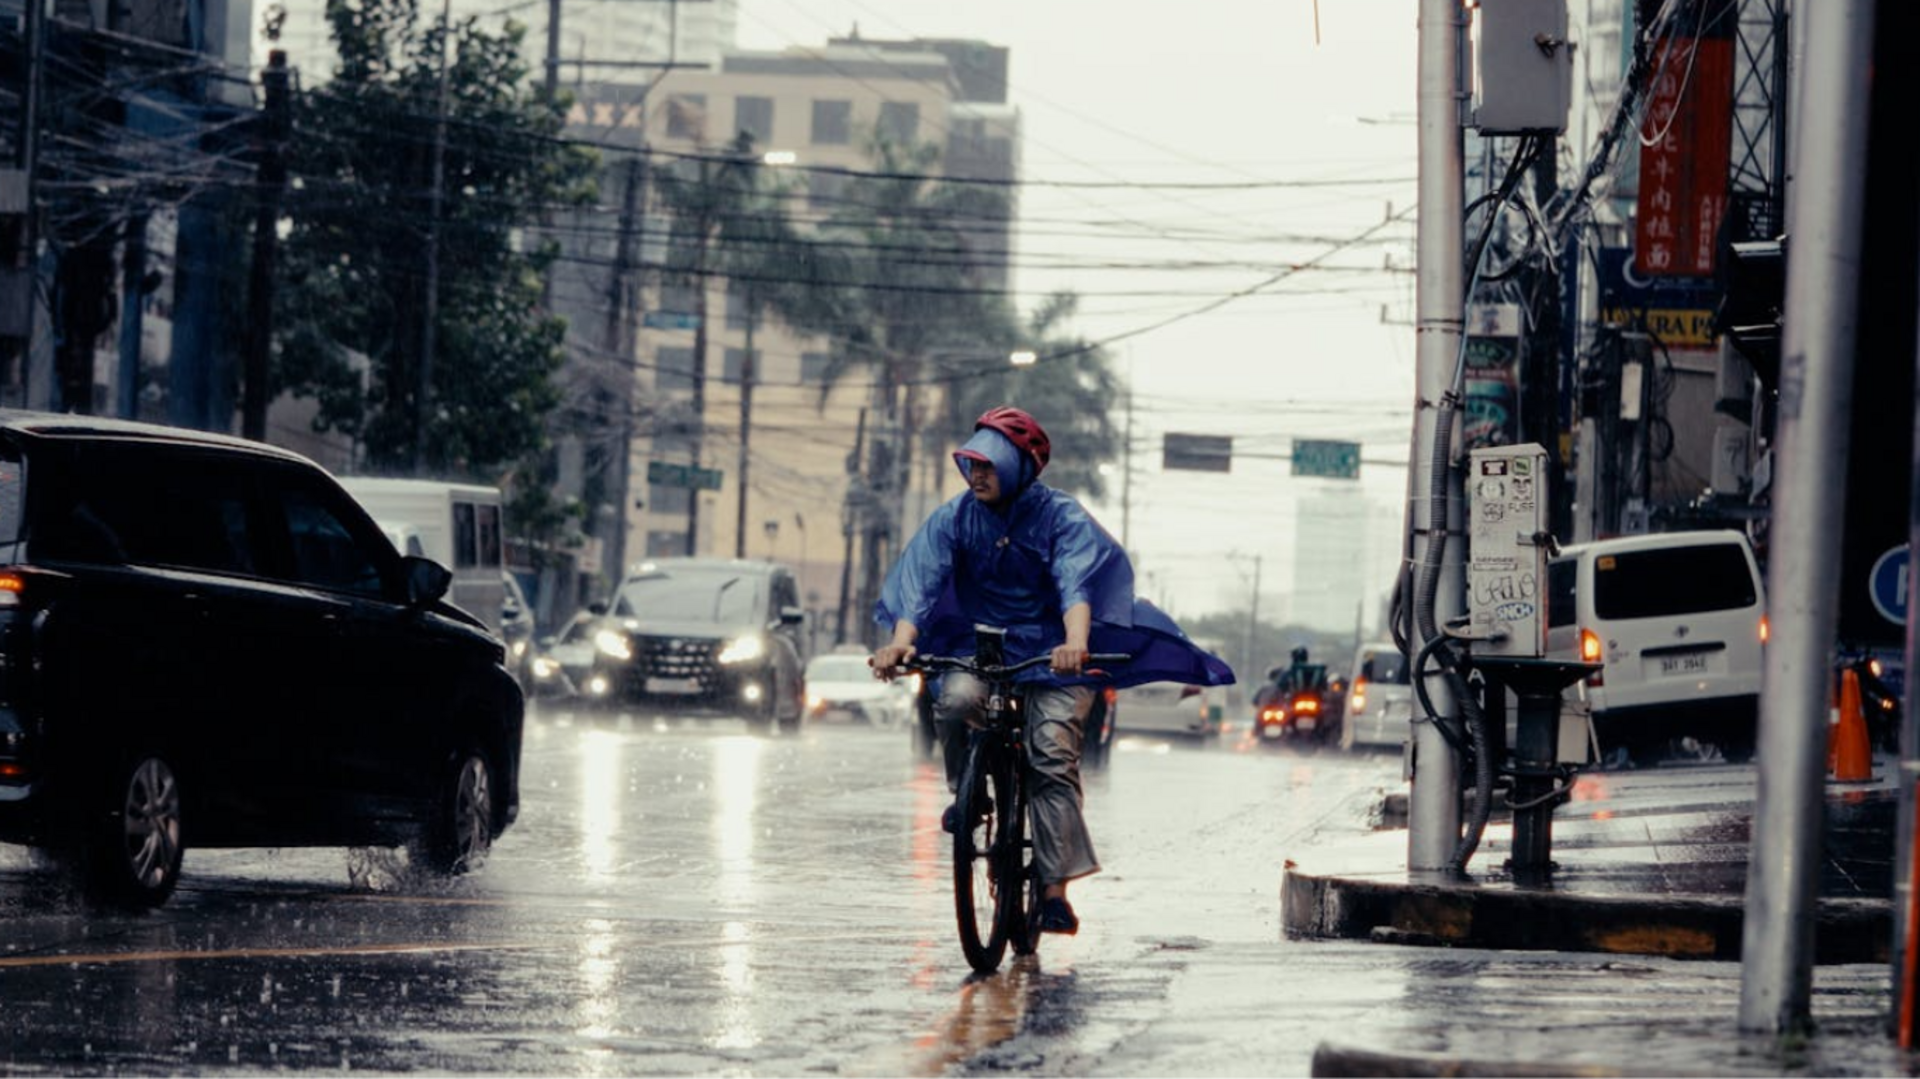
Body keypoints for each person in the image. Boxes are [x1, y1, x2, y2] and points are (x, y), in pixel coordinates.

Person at [870, 406, 1233, 936]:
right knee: (954, 701)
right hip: (981, 644)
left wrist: (1076, 643)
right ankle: (966, 797)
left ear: (1022, 467)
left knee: (1052, 756)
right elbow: (920, 586)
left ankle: (1054, 891)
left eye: (990, 466)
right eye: (973, 464)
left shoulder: (1061, 517)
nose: (978, 475)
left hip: (1056, 650)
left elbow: (1075, 585)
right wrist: (900, 645)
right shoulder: (954, 517)